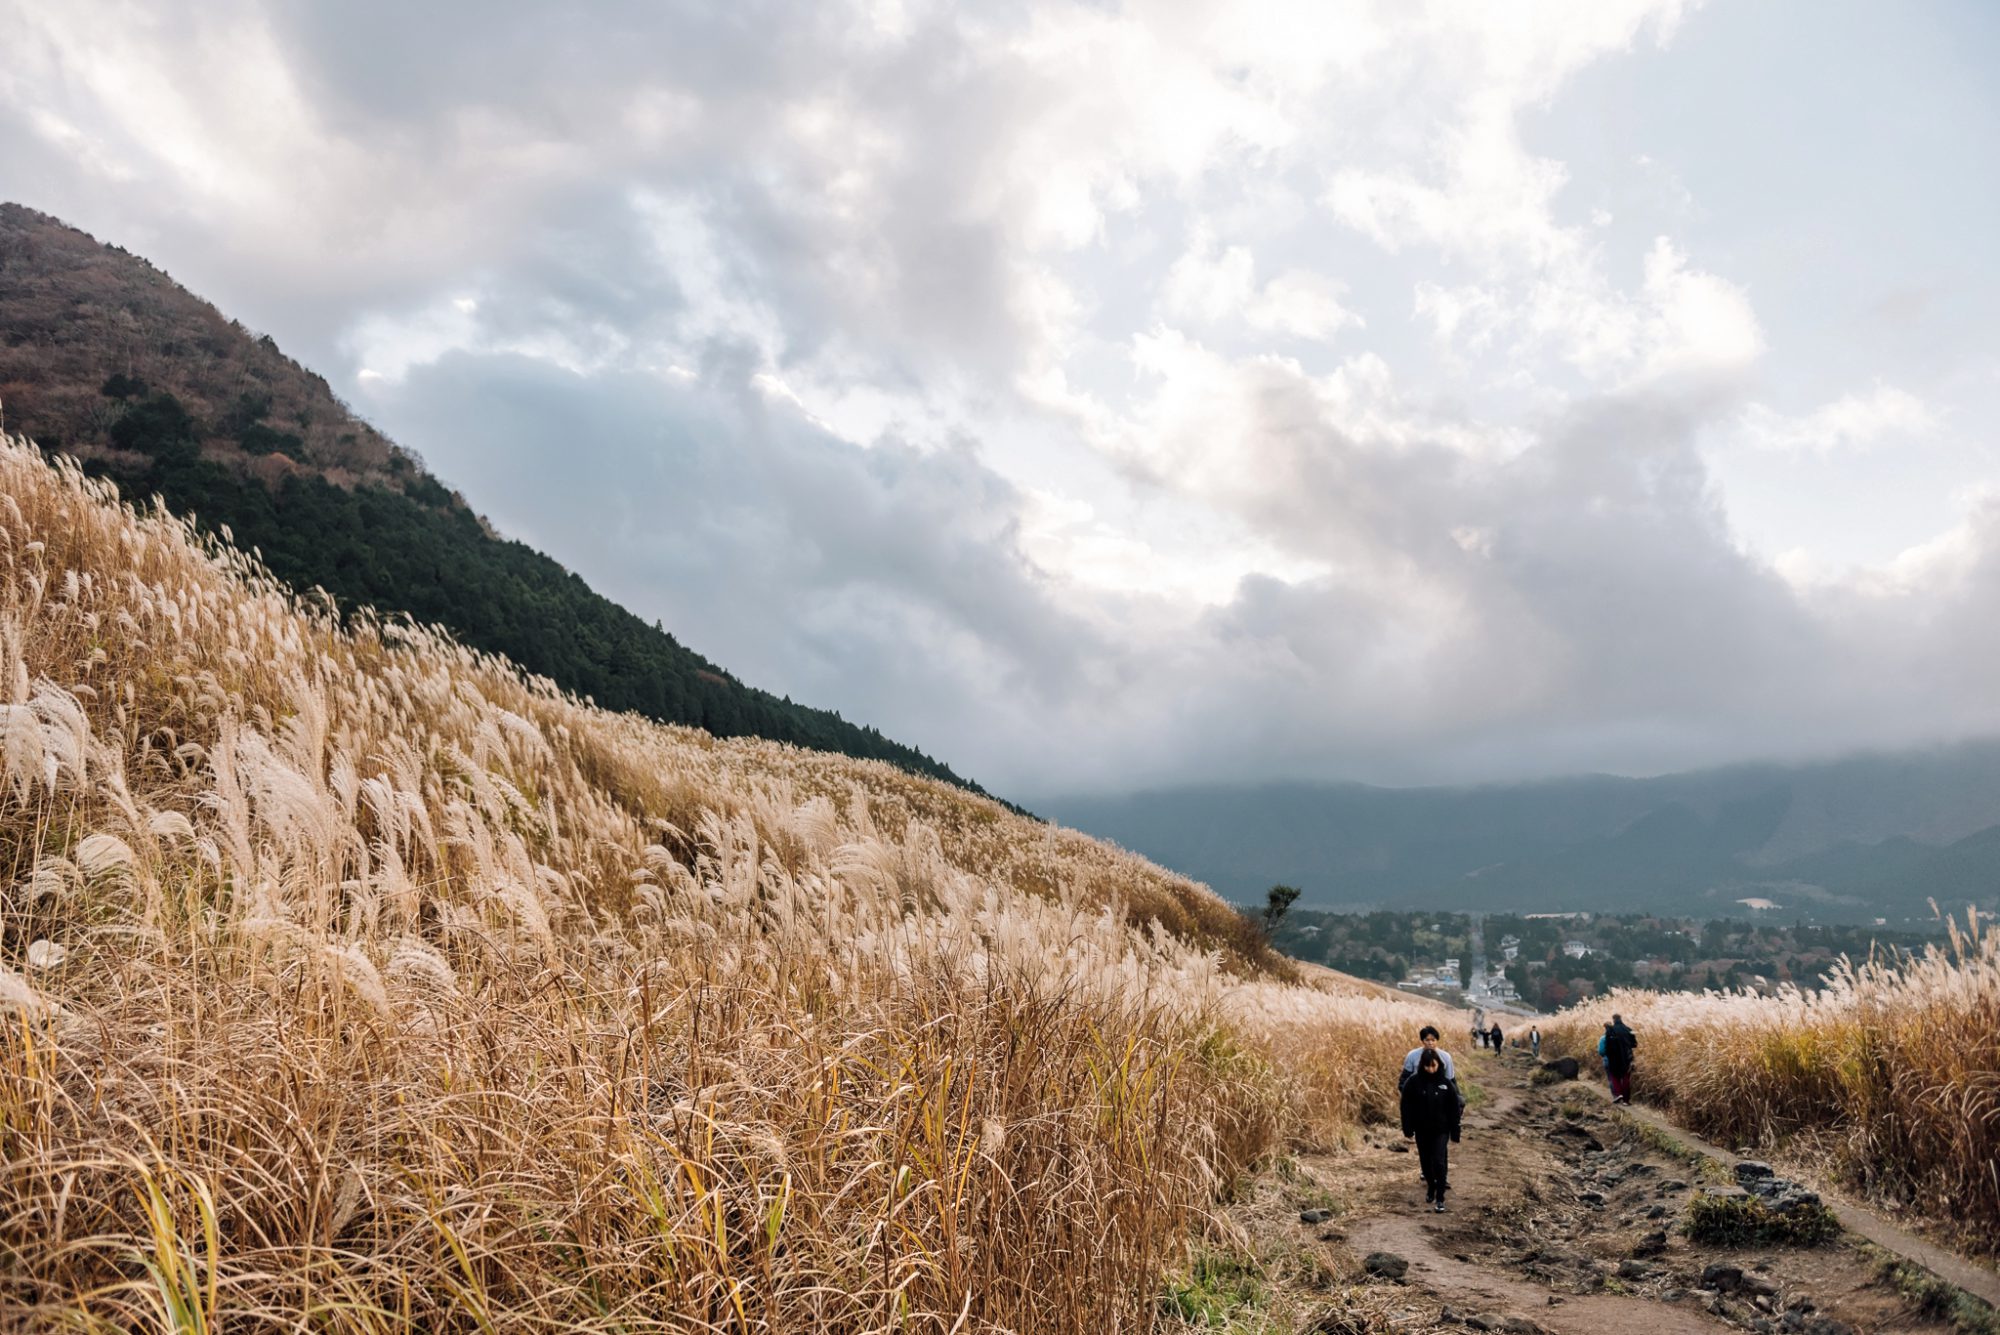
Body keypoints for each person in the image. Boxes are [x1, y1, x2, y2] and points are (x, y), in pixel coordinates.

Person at [1400, 1048, 1464, 1212]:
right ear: (1422, 1065)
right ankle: (1431, 1186)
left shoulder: (1446, 1083)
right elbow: (1405, 1106)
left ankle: (1440, 1198)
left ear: (1439, 1065)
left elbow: (1454, 1109)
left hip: (1441, 1130)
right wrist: (1407, 1128)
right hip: (1421, 1129)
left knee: (1439, 1162)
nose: (1431, 1069)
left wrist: (1455, 1132)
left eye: (1433, 1066)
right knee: (1426, 1163)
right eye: (1427, 1066)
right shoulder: (1413, 1082)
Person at [1604, 1013, 1638, 1104]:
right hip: (1627, 1057)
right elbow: (1634, 1044)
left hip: (1614, 1058)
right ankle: (1626, 1100)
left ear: (1613, 1019)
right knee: (1626, 1077)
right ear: (1621, 1018)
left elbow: (1607, 1046)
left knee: (1615, 1076)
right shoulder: (1628, 1029)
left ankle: (1619, 1094)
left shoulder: (1610, 1030)